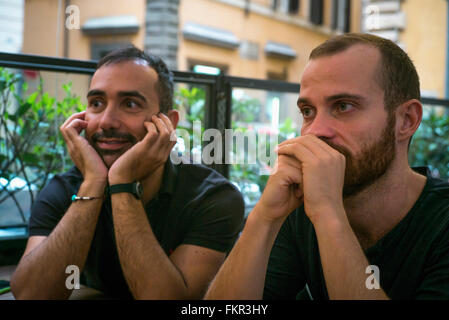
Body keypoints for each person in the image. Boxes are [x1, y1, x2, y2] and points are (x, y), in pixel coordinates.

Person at [205, 33, 449, 300]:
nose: (316, 131)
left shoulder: (440, 222)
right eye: (308, 111)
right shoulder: (300, 214)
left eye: (343, 106)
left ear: (406, 120)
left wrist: (328, 214)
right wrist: (264, 218)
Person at [10, 46, 244, 300]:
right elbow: (31, 295)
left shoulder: (213, 197)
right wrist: (94, 183)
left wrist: (122, 183)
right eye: (97, 103)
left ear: (168, 123)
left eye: (130, 104)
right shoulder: (65, 188)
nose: (107, 121)